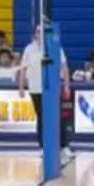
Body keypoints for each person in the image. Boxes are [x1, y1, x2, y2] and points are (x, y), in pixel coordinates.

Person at [21, 25, 74, 169]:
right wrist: (21, 87)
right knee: (41, 118)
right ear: (35, 34)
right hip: (35, 89)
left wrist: (66, 86)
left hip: (52, 89)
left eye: (42, 31)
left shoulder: (56, 48)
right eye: (37, 31)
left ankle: (64, 147)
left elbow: (64, 67)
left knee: (57, 117)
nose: (40, 34)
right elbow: (23, 69)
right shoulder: (29, 49)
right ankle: (43, 147)